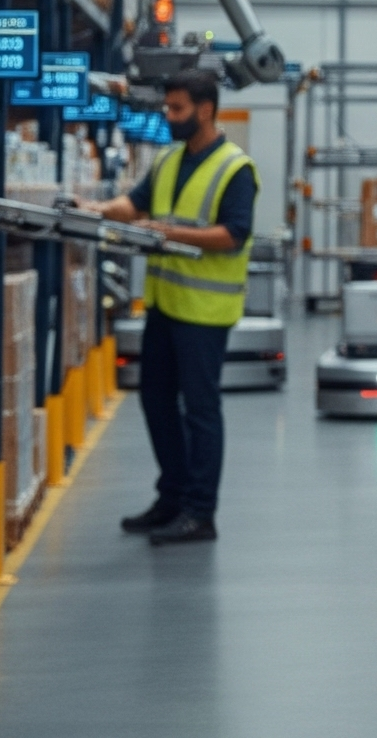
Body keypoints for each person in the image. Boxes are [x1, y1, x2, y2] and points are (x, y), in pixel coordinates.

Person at [88, 69, 259, 546]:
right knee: (155, 399)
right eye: (168, 107)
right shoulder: (167, 160)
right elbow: (136, 206)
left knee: (200, 410)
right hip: (164, 305)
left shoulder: (235, 168)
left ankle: (200, 512)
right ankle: (173, 496)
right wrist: (93, 210)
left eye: (177, 108)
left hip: (205, 311)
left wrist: (172, 233)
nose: (169, 115)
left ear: (205, 110)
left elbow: (234, 234)